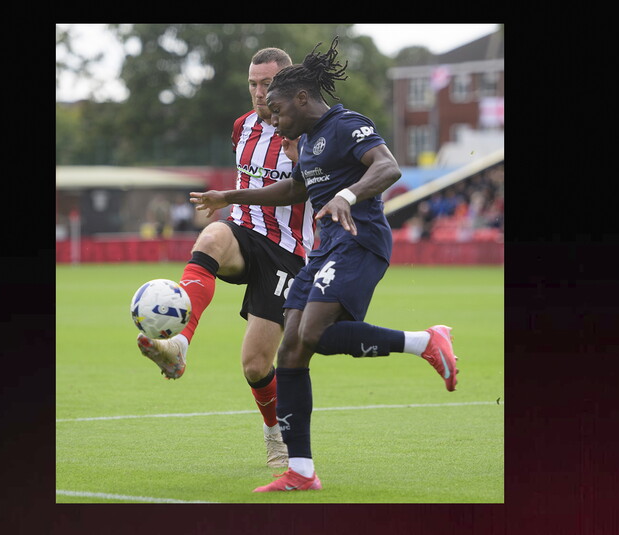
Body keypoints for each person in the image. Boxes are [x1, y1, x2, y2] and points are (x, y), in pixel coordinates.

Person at [189, 37, 459, 493]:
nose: (272, 119)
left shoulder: (345, 124)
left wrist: (347, 195)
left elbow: (388, 167)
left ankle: (426, 342)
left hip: (359, 242)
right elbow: (293, 192)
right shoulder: (307, 140)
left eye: (277, 108)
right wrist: (228, 197)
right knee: (291, 349)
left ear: (299, 97)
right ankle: (301, 471)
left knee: (310, 336)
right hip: (323, 250)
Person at [136, 47, 314, 470]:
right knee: (213, 234)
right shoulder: (243, 127)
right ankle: (177, 345)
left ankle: (276, 434)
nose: (257, 92)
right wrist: (231, 207)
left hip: (286, 253)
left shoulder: (308, 133)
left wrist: (229, 197)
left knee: (255, 365)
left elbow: (298, 191)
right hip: (243, 232)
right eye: (252, 84)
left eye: (266, 84)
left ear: (287, 84)